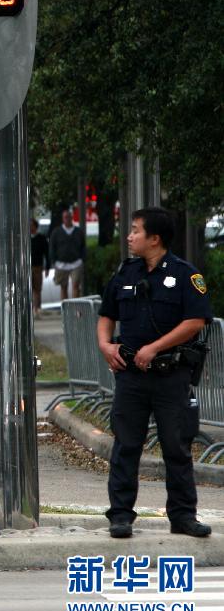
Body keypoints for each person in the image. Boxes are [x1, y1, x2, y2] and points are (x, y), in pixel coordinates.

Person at [97, 207, 213, 539]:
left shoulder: (186, 275)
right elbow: (107, 313)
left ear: (155, 238)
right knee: (126, 445)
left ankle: (183, 516)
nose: (129, 236)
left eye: (135, 230)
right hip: (132, 376)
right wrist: (106, 345)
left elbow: (195, 321)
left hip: (170, 375)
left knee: (176, 446)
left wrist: (155, 348)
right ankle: (120, 516)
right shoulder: (126, 273)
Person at [49, 209, 86, 300]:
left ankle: (76, 309)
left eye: (69, 217)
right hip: (61, 264)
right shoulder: (56, 232)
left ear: (71, 218)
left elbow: (83, 246)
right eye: (65, 217)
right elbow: (52, 247)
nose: (67, 219)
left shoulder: (78, 231)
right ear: (63, 219)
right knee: (63, 287)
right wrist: (54, 261)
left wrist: (82, 259)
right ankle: (65, 308)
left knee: (75, 286)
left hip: (76, 263)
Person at [30, 217, 50, 316]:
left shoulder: (41, 238)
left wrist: (47, 268)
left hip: (38, 266)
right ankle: (31, 308)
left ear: (36, 226)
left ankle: (37, 309)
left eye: (32, 225)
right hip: (28, 267)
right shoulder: (25, 238)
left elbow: (46, 253)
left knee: (37, 288)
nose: (31, 227)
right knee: (30, 289)